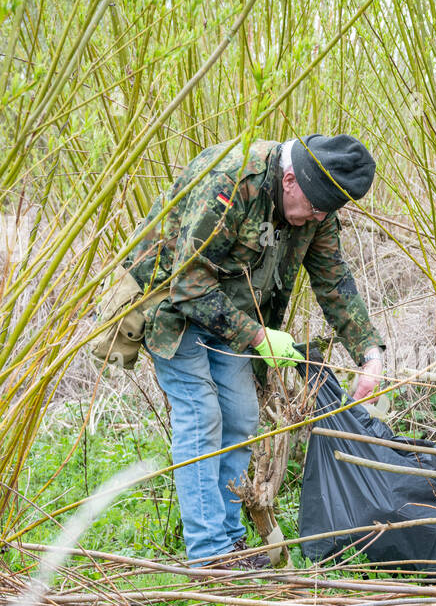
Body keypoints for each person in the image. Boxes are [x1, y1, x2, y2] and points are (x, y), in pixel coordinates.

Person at [122, 134, 386, 566]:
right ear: (288, 180)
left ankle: (230, 541)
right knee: (201, 415)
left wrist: (369, 354)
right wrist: (262, 338)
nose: (316, 219)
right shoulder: (232, 179)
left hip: (233, 319)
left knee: (242, 416)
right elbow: (187, 285)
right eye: (314, 209)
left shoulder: (316, 203)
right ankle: (209, 556)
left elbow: (333, 279)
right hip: (173, 307)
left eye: (325, 212)